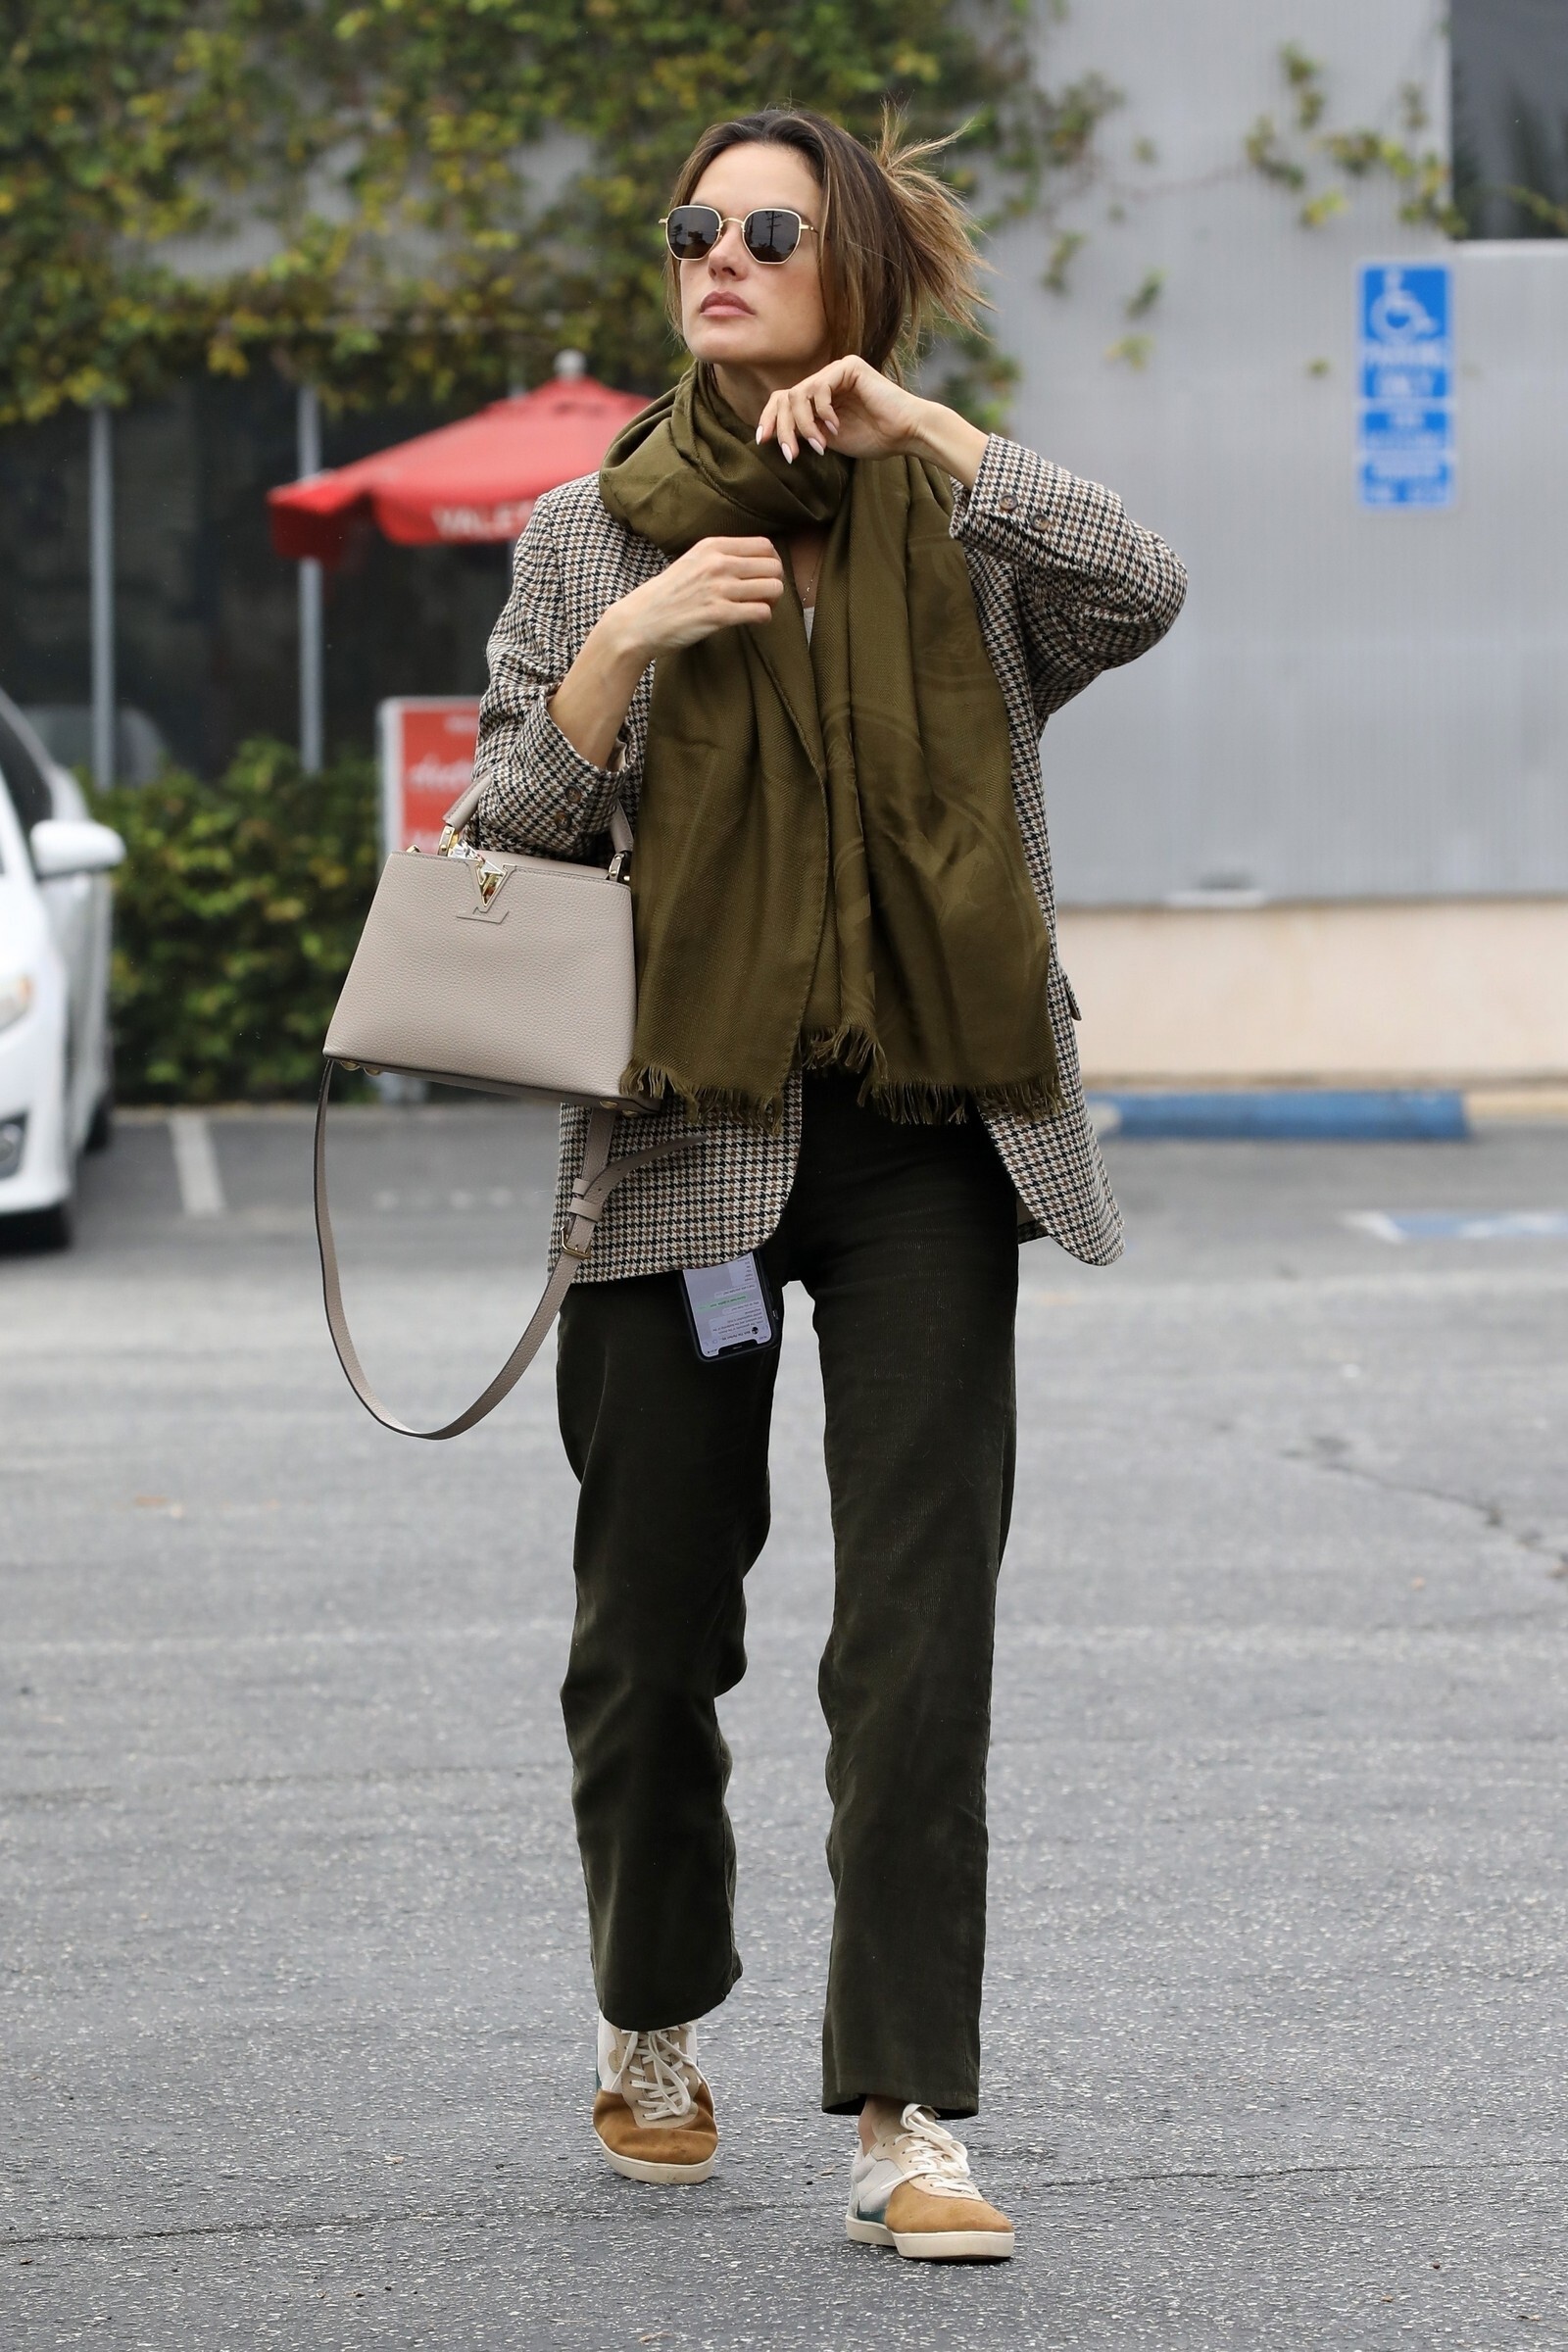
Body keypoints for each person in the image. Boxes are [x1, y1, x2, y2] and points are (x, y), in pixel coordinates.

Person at [471, 104, 1186, 2262]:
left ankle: (903, 2110)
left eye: (766, 233)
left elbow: (1142, 587)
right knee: (647, 1628)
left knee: (915, 1643)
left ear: (850, 271)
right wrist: (627, 646)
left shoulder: (966, 524)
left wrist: (931, 432)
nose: (715, 254)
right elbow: (501, 836)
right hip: (676, 1129)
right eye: (690, 223)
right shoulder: (588, 530)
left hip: (928, 1134)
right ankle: (650, 2010)